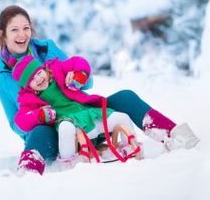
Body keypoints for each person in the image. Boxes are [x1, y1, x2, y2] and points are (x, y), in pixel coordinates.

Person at [0, 5, 199, 175]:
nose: (22, 35)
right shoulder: (1, 75)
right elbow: (15, 123)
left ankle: (174, 135)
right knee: (38, 133)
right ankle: (25, 177)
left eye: (26, 28)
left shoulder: (47, 49)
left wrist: (77, 79)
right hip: (52, 131)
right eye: (14, 30)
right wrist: (41, 117)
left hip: (84, 114)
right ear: (3, 34)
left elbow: (86, 78)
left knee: (125, 97)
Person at [10, 54, 140, 167]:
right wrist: (40, 115)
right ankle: (69, 163)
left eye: (38, 73)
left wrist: (80, 74)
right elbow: (21, 121)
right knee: (66, 129)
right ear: (27, 86)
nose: (38, 79)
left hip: (89, 113)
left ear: (44, 69)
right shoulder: (30, 99)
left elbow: (78, 61)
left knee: (122, 117)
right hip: (68, 122)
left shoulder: (58, 70)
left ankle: (130, 148)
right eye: (32, 79)